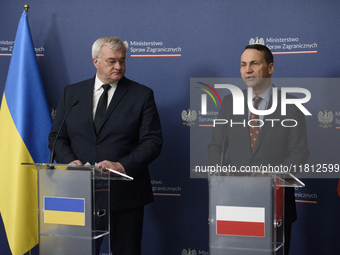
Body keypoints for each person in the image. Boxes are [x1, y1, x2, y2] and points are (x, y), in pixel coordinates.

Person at [48, 36, 163, 255]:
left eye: (122, 60)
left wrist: (121, 165)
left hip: (125, 194)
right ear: (96, 61)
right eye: (112, 61)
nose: (119, 66)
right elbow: (56, 137)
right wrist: (70, 161)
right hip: (78, 191)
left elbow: (152, 141)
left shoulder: (142, 95)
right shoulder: (71, 94)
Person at [208, 44, 309, 255]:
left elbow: (299, 152)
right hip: (234, 202)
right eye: (243, 65)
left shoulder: (291, 105)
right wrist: (218, 169)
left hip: (276, 205)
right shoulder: (229, 102)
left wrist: (274, 175)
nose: (248, 70)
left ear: (270, 68)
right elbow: (216, 145)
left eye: (254, 63)